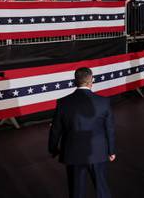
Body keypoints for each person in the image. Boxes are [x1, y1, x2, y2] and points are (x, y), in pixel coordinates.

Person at [48, 67, 116, 198]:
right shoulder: (103, 102)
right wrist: (111, 151)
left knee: (76, 192)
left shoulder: (63, 102)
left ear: (75, 82)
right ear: (91, 81)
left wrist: (53, 149)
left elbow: (56, 129)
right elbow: (110, 128)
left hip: (73, 153)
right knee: (102, 189)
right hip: (98, 152)